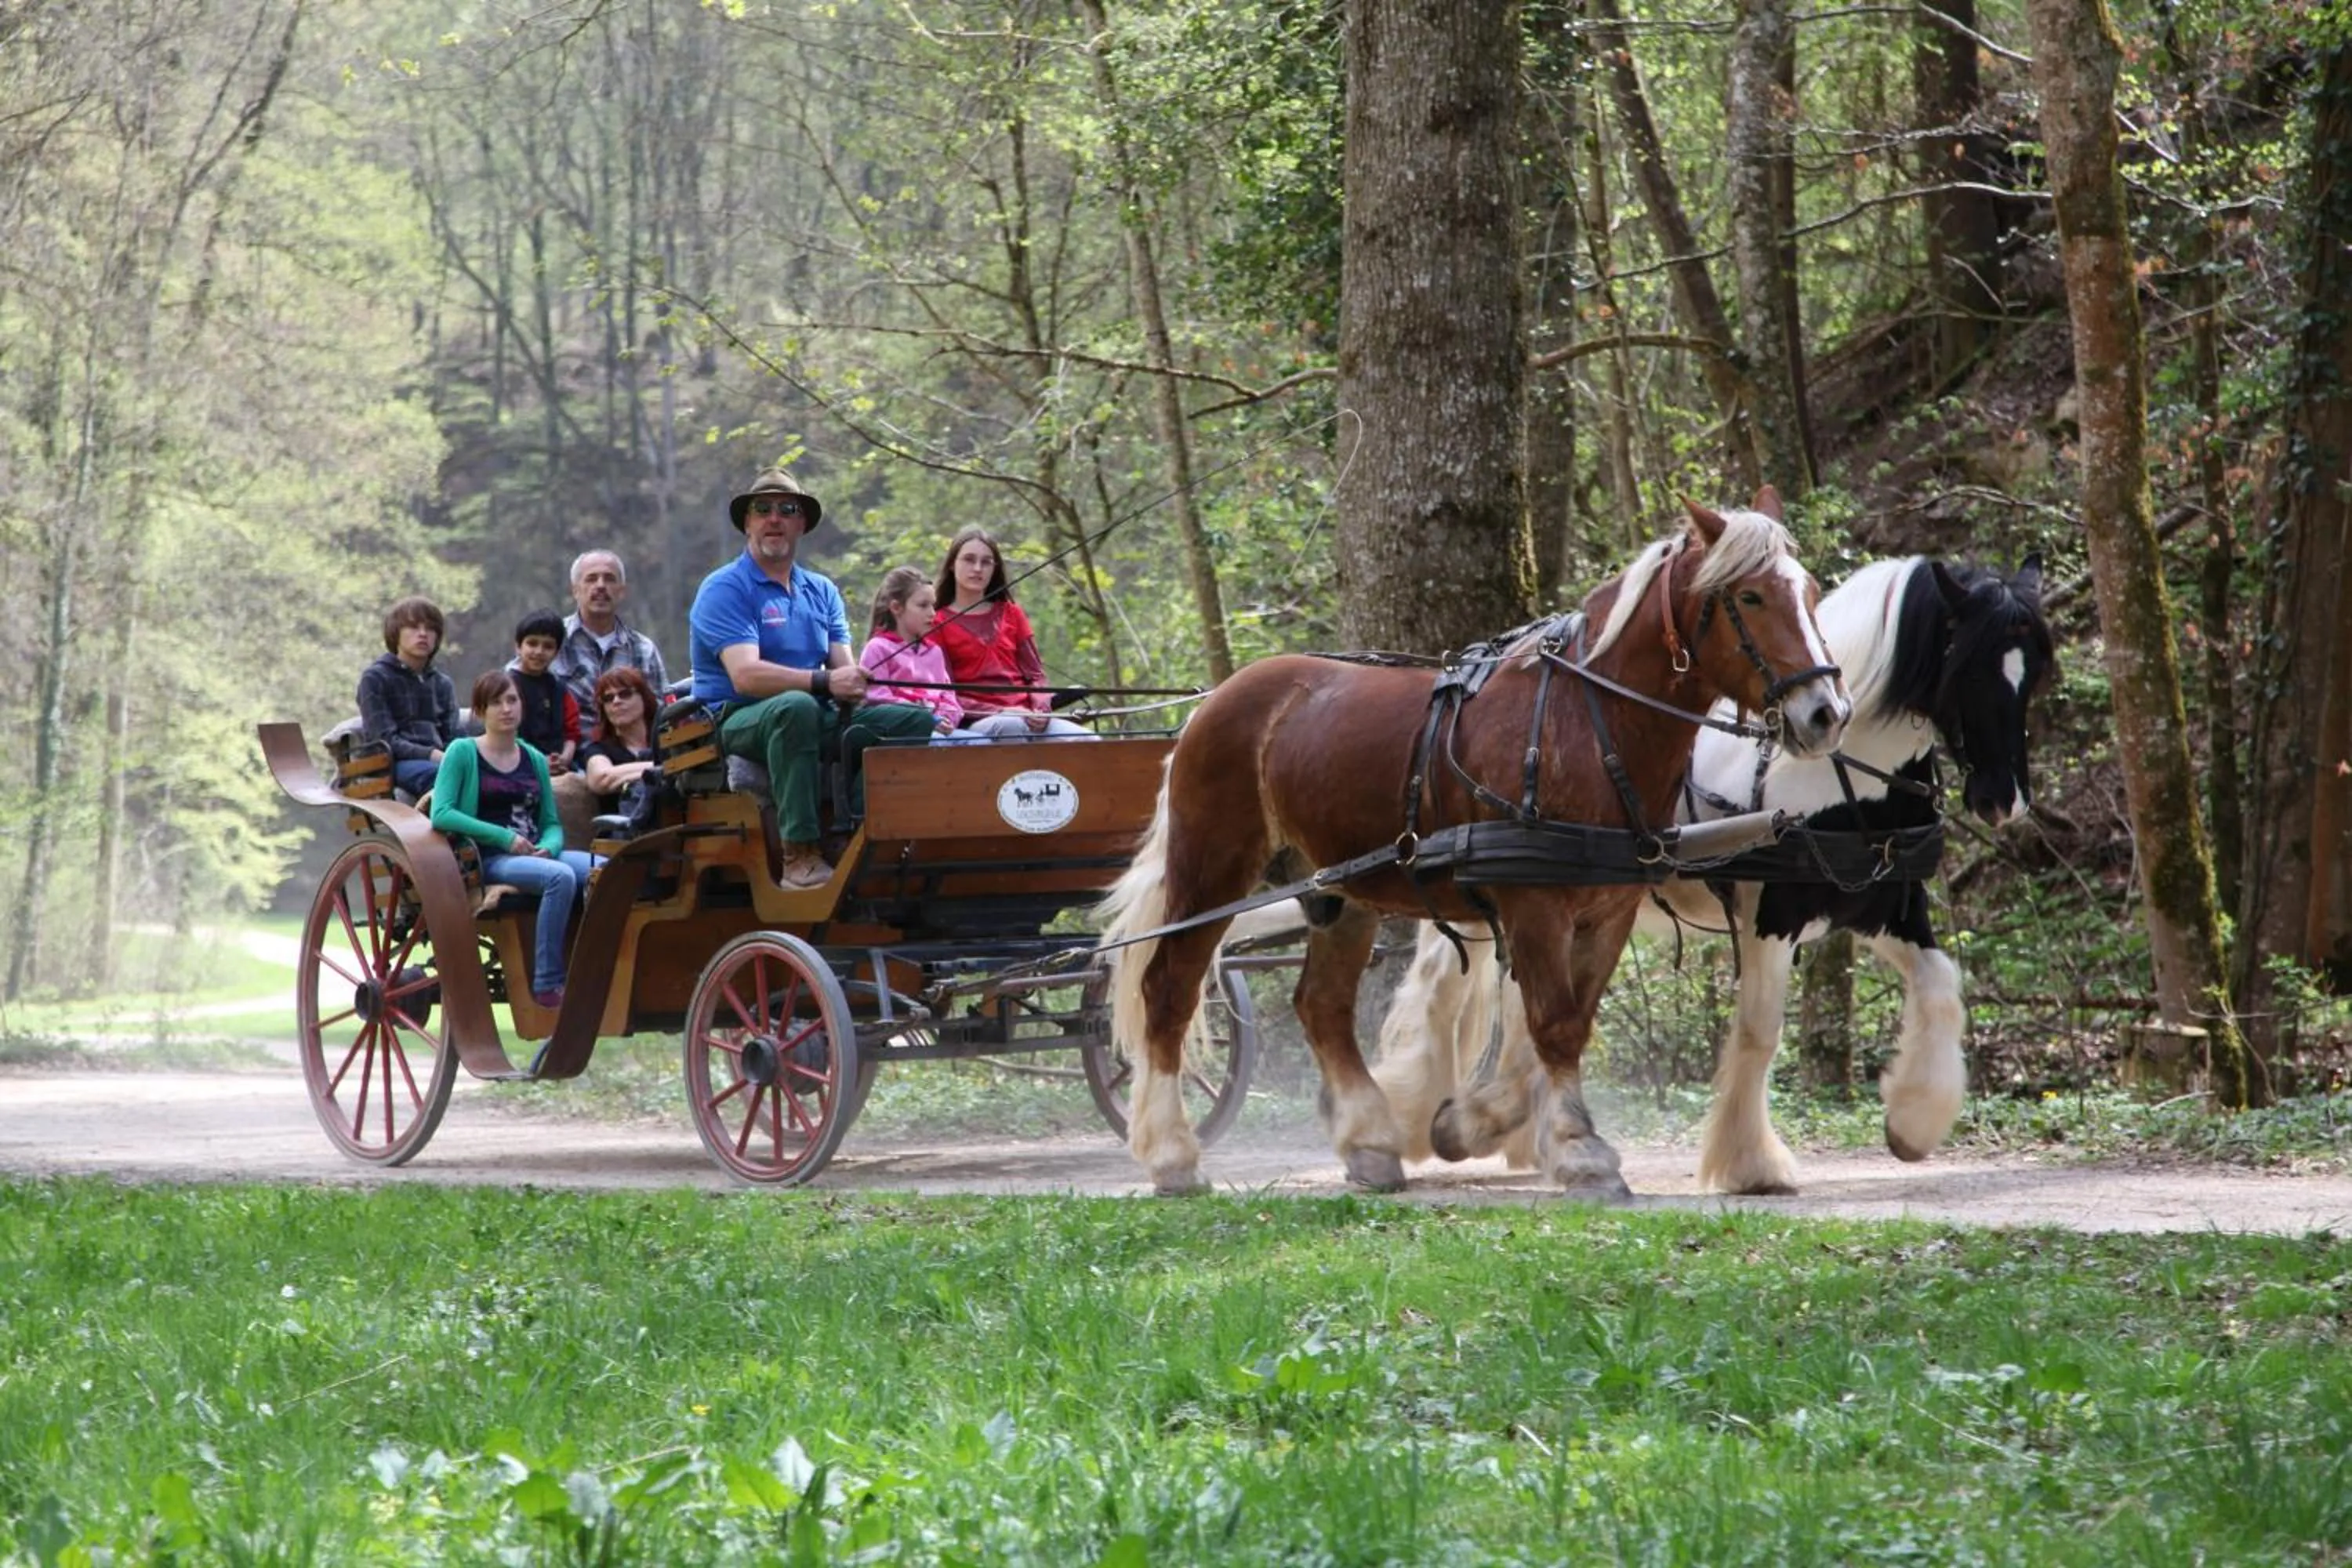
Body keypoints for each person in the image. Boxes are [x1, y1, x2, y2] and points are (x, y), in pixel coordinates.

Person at [687, 466, 936, 890]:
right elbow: (745, 676)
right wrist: (823, 684)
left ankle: (858, 834)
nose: (774, 518)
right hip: (737, 718)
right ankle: (798, 855)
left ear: (801, 523)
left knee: (914, 720)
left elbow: (844, 669)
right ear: (747, 522)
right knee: (796, 707)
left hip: (812, 711)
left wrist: (856, 681)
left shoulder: (821, 590)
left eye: (787, 509)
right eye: (762, 509)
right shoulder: (725, 588)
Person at [429, 669, 593, 1011]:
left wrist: (552, 846)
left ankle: (597, 968)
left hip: (536, 853)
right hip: (490, 857)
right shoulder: (463, 752)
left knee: (606, 869)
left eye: (512, 700)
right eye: (495, 702)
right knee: (560, 878)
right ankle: (548, 984)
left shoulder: (533, 758)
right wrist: (504, 837)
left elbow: (550, 822)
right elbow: (441, 813)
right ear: (479, 712)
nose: (506, 709)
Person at [928, 527, 1091, 740]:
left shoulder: (1012, 613)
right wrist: (1001, 711)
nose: (978, 568)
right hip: (976, 721)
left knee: (1086, 739)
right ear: (952, 564)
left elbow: (1036, 675)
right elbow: (944, 693)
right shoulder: (936, 622)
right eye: (969, 559)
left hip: (1028, 716)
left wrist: (1042, 710)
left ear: (994, 569)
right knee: (1011, 727)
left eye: (986, 562)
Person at [357, 597, 461, 797]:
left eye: (430, 629)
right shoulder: (376, 678)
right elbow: (383, 739)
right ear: (396, 633)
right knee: (442, 776)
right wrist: (431, 754)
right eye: (413, 627)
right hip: (392, 763)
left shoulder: (441, 683)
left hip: (439, 759)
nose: (423, 634)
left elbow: (454, 735)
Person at [858, 566, 974, 742]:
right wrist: (927, 720)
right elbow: (877, 699)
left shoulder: (935, 652)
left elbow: (949, 698)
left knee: (980, 742)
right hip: (902, 736)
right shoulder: (877, 648)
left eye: (933, 605)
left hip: (941, 732)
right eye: (923, 606)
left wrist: (945, 719)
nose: (933, 613)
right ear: (896, 607)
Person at [549, 550, 669, 715]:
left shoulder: (643, 650)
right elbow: (516, 688)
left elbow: (662, 713)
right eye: (591, 579)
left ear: (622, 591)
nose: (600, 586)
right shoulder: (551, 641)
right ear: (575, 590)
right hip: (568, 740)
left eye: (610, 579)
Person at [507, 610, 583, 773]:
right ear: (518, 647)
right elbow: (502, 734)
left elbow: (572, 734)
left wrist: (564, 759)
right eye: (532, 644)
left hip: (560, 765)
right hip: (516, 765)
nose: (539, 652)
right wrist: (539, 762)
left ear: (557, 652)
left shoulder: (560, 690)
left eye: (548, 646)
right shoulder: (505, 686)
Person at [579, 666, 662, 797]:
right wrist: (665, 768)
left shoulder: (667, 739)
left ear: (644, 699)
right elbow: (601, 779)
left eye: (625, 694)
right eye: (608, 698)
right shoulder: (599, 749)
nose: (616, 701)